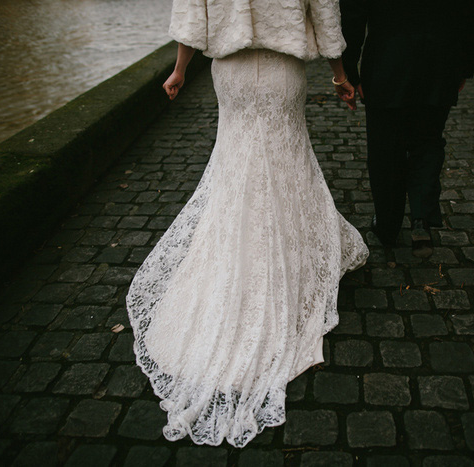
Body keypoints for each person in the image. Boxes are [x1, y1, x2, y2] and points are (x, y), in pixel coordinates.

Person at [125, 0, 368, 448]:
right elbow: (326, 17)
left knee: (235, 164)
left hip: (230, 73)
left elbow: (192, 16)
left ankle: (234, 259)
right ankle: (288, 255)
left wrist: (180, 69)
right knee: (288, 161)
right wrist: (340, 73)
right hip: (282, 74)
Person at [338, 0, 474, 256]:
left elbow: (353, 12)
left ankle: (388, 225)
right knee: (429, 139)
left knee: (385, 144)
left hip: (387, 60)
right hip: (442, 62)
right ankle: (421, 218)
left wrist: (349, 69)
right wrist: (464, 65)